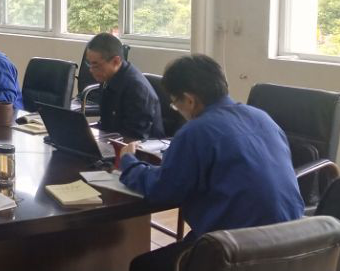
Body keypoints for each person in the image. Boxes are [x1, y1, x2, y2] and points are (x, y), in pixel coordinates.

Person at [119, 55, 304, 271]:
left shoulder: (195, 132)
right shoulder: (262, 118)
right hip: (295, 242)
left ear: (189, 100)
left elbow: (163, 190)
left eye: (175, 103)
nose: (177, 109)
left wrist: (129, 163)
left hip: (239, 250)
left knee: (144, 265)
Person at [86, 33, 163, 139]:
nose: (91, 70)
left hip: (143, 146)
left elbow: (135, 137)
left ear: (116, 61)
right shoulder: (108, 79)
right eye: (89, 63)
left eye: (96, 65)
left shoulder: (136, 89)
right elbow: (106, 124)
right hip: (114, 140)